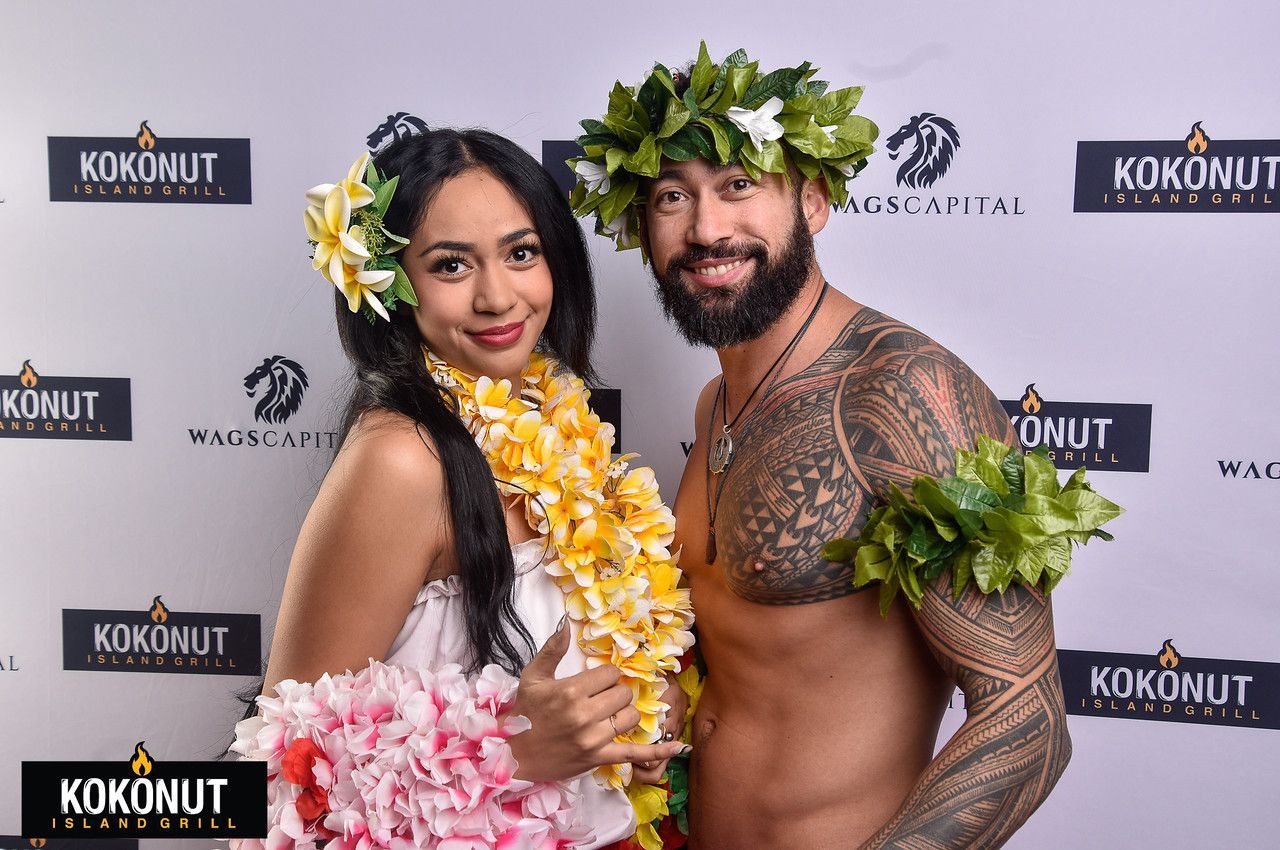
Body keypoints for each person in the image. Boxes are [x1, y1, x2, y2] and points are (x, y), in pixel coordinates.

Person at [570, 46, 1070, 848]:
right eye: (672, 196)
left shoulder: (904, 392)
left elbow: (1027, 718)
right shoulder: (715, 405)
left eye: (739, 185)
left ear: (812, 200)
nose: (707, 228)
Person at [249, 128, 693, 848]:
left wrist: (632, 706)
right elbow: (279, 773)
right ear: (390, 286)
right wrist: (512, 752)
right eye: (451, 265)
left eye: (521, 254)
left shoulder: (560, 427)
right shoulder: (403, 458)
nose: (497, 297)